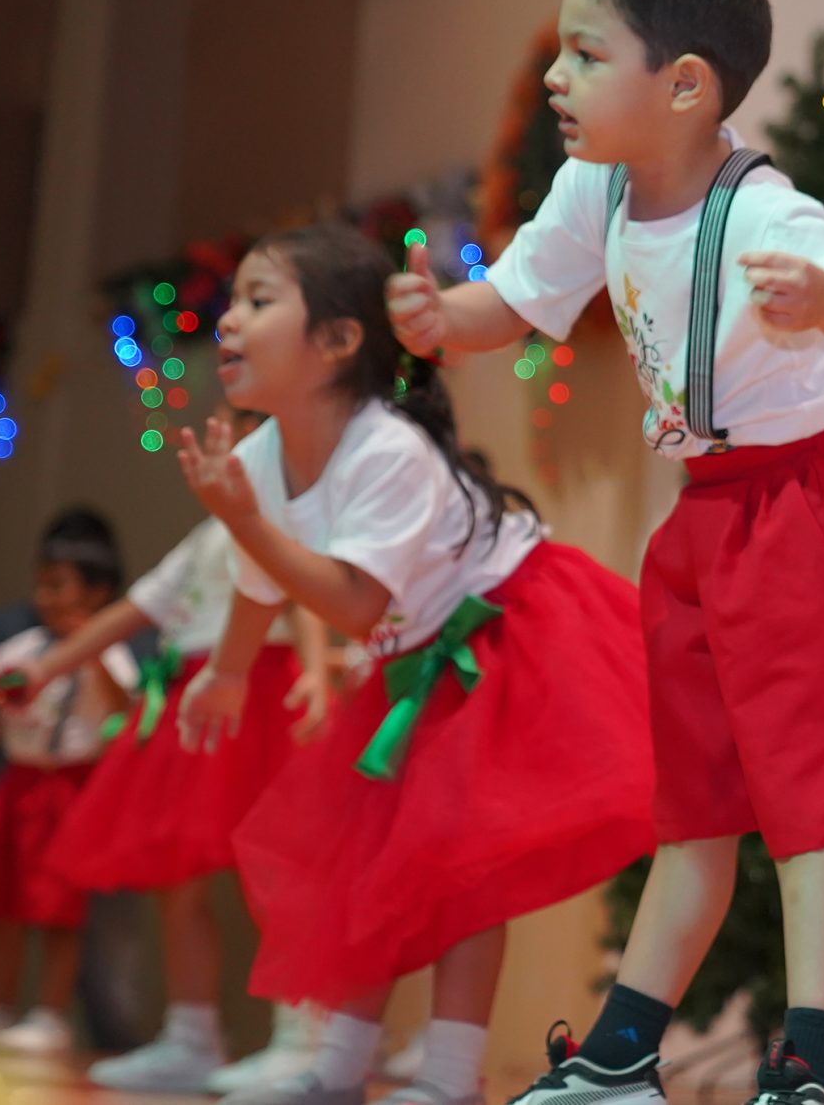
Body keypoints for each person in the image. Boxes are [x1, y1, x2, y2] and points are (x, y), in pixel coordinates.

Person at [389, 0, 824, 1105]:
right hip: (706, 517)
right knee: (692, 803)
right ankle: (622, 1055)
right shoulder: (595, 188)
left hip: (805, 510)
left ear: (685, 85)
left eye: (587, 56)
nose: (557, 76)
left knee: (813, 809)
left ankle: (811, 1067)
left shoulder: (768, 216)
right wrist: (444, 319)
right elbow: (514, 300)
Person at [177, 223, 654, 1105]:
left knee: (467, 869)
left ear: (337, 340)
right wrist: (230, 671)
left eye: (258, 299)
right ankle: (340, 1066)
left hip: (507, 637)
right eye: (233, 299)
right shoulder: (258, 459)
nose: (229, 320)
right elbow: (258, 583)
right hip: (414, 660)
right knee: (367, 864)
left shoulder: (387, 449)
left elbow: (355, 602)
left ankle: (446, 1077)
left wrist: (244, 522)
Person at [33, 495, 337, 1094]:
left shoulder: (276, 515)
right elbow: (129, 612)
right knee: (178, 874)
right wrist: (41, 671)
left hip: (259, 690)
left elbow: (299, 594)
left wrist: (316, 670)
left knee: (276, 873)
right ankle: (192, 1036)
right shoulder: (204, 536)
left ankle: (302, 1038)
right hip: (196, 696)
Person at [0, 510, 134, 1058]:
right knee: (2, 899)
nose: (45, 598)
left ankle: (51, 1014)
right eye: (41, 585)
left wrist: (90, 652)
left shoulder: (110, 650)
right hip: (17, 780)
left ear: (98, 593)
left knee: (60, 906)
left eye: (58, 586)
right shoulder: (27, 645)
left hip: (71, 785)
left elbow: (125, 709)